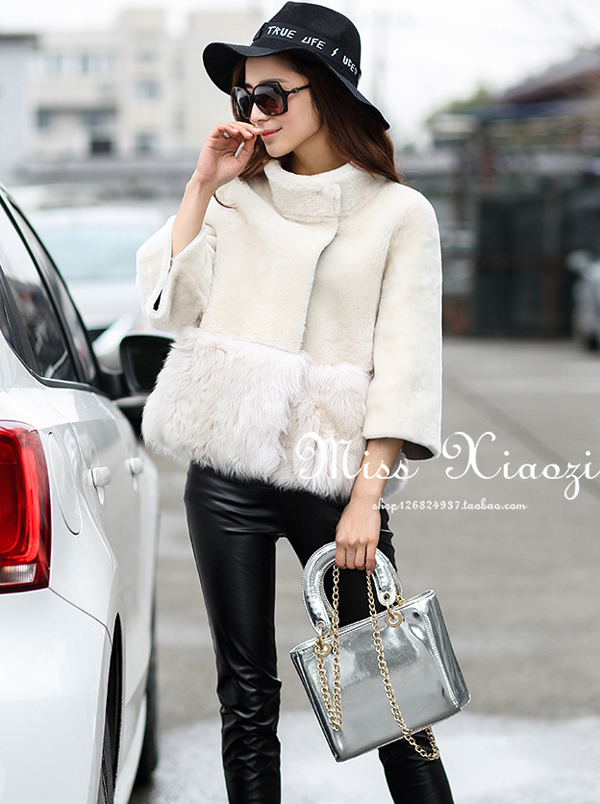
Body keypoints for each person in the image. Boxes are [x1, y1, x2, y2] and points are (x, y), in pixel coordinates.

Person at [136, 3, 452, 802]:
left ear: (327, 93)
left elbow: (407, 365)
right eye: (244, 96)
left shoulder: (398, 214)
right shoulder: (234, 197)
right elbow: (170, 304)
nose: (254, 113)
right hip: (227, 470)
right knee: (244, 694)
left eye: (271, 95)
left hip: (333, 476)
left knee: (389, 693)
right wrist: (201, 186)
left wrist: (366, 502)